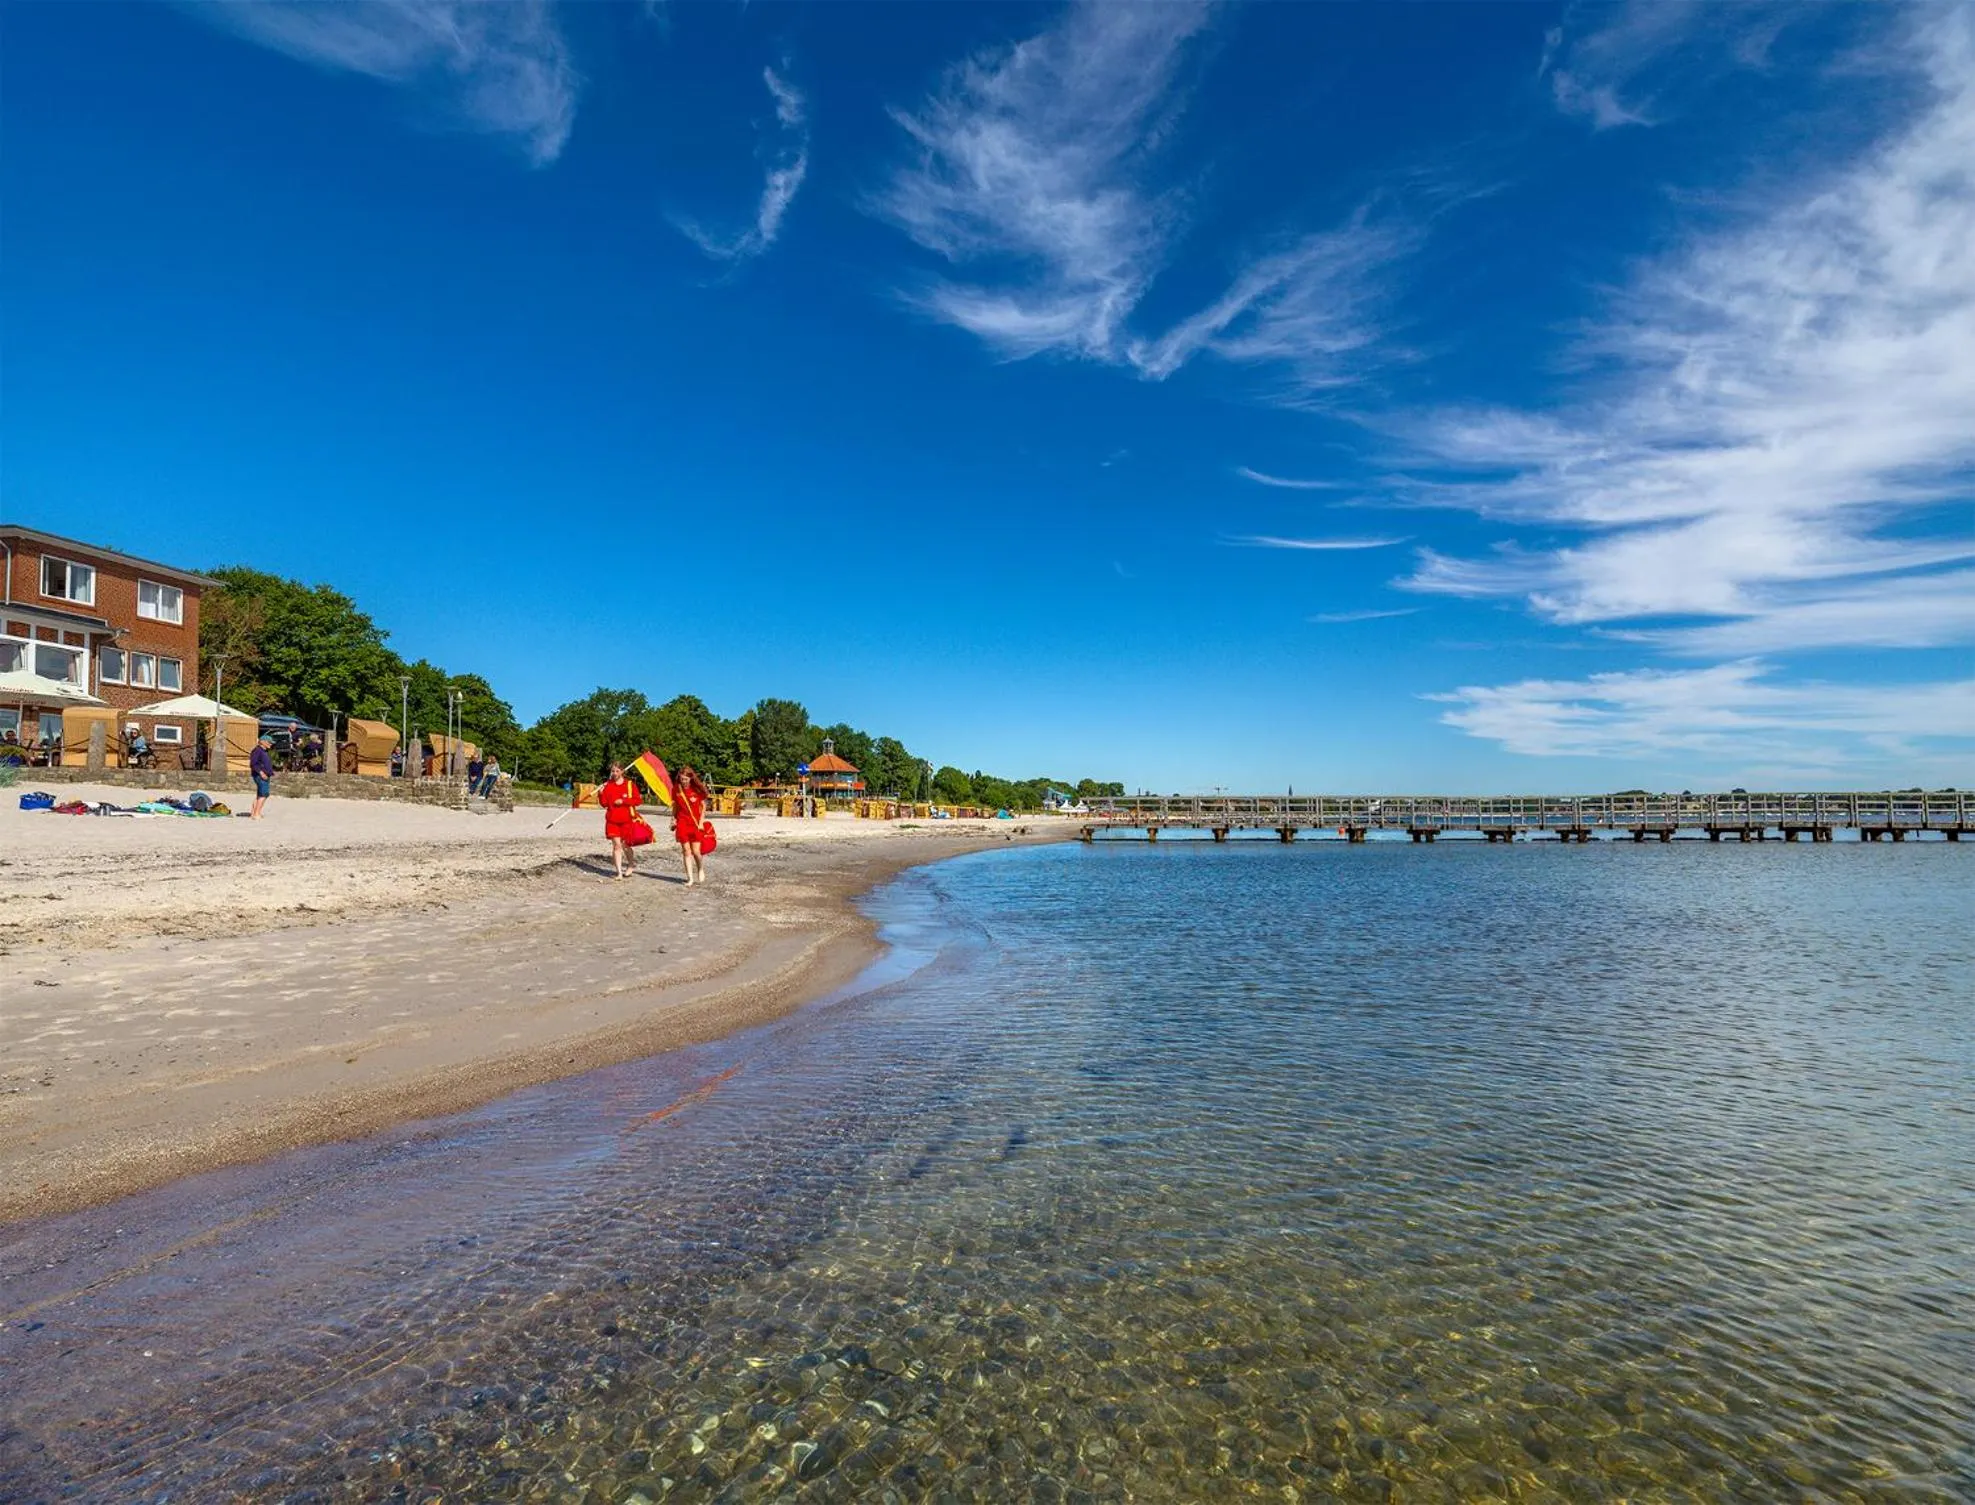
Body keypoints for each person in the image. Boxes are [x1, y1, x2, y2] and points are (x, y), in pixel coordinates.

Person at [598, 761, 643, 880]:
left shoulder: (629, 784)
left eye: (617, 771)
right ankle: (618, 873)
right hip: (612, 820)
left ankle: (631, 863)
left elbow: (638, 801)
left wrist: (624, 801)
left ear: (622, 771)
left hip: (626, 820)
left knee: (625, 845)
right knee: (616, 846)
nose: (615, 773)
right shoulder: (608, 785)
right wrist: (600, 794)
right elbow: (604, 804)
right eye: (613, 771)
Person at [673, 765, 710, 886]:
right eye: (681, 778)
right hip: (682, 823)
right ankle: (690, 878)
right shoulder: (676, 789)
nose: (683, 781)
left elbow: (703, 807)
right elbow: (675, 806)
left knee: (696, 852)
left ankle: (700, 868)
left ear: (690, 778)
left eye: (685, 779)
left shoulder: (697, 790)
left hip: (695, 824)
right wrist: (673, 819)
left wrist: (701, 823)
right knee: (686, 851)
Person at [249, 733, 276, 820]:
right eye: (269, 742)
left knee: (260, 794)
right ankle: (256, 814)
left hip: (264, 775)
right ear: (262, 742)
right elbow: (253, 764)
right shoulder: (257, 750)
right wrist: (261, 773)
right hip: (260, 776)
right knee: (264, 794)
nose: (271, 744)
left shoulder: (263, 751)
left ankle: (254, 813)